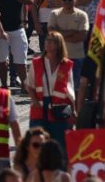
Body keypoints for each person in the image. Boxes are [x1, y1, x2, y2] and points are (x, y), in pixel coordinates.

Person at [27, 30, 76, 160]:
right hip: (39, 110)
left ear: (59, 45)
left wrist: (74, 111)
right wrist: (34, 101)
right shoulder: (36, 63)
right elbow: (29, 85)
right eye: (47, 40)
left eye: (52, 41)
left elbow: (70, 90)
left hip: (59, 111)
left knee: (59, 149)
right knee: (37, 149)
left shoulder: (66, 65)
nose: (48, 43)